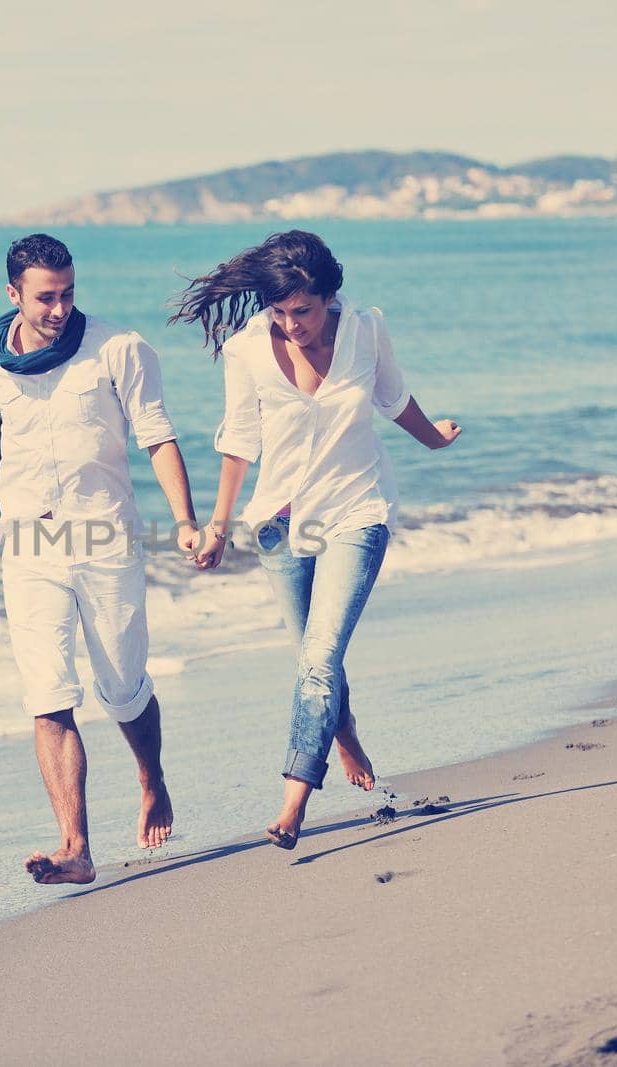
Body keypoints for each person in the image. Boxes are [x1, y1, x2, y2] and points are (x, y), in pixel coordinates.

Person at [171, 230, 462, 850]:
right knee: (312, 655)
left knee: (319, 655)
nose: (291, 324)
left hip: (358, 510)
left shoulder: (365, 329)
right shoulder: (247, 348)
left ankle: (295, 796)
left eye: (301, 309)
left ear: (329, 295)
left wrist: (433, 439)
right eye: (279, 311)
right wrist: (217, 524)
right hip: (279, 525)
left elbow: (392, 398)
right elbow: (238, 438)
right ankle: (345, 732)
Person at [0, 233, 200, 884]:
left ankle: (150, 775)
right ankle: (74, 846)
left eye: (68, 294)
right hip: (29, 542)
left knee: (122, 686)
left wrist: (184, 521)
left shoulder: (118, 349)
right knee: (48, 694)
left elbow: (158, 435)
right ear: (13, 294)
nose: (59, 308)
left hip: (105, 536)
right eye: (45, 298)